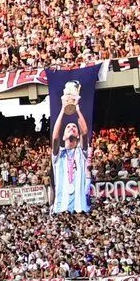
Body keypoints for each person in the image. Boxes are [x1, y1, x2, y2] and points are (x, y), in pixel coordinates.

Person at [49, 80, 92, 214]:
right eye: (68, 127)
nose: (72, 128)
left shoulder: (81, 152)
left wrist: (76, 108)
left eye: (74, 127)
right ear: (64, 137)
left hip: (80, 208)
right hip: (60, 207)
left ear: (77, 136)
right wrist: (63, 108)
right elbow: (55, 137)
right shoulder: (58, 154)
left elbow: (85, 132)